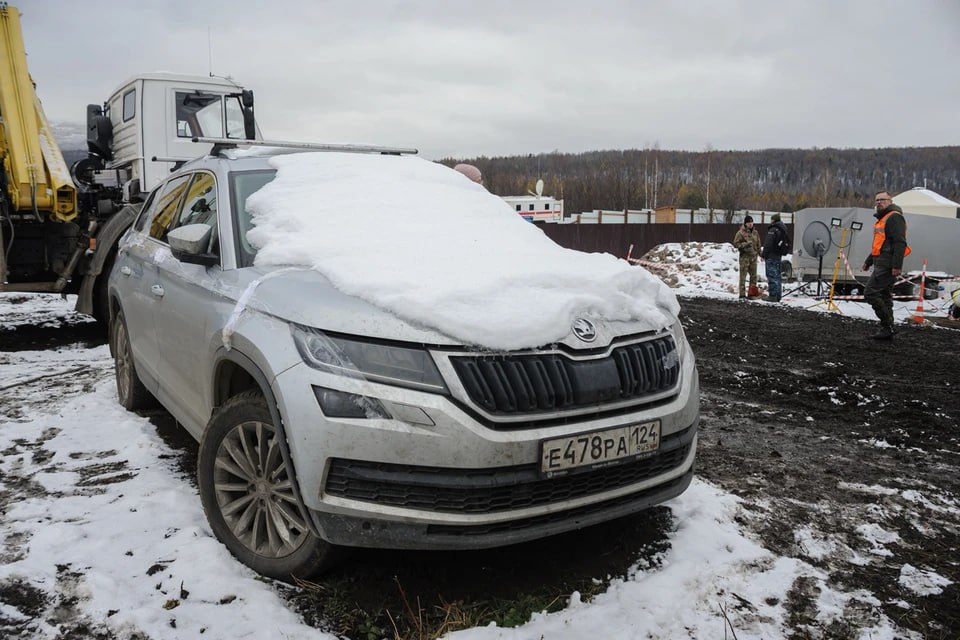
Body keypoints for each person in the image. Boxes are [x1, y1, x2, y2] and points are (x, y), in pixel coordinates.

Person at [861, 191, 911, 340]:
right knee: (884, 295)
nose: (879, 202)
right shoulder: (883, 219)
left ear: (890, 201)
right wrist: (868, 261)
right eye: (877, 200)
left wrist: (896, 265)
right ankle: (888, 329)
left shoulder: (894, 217)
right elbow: (879, 245)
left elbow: (900, 242)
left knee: (870, 292)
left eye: (882, 199)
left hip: (887, 263)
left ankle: (887, 324)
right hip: (880, 261)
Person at [760, 213, 791, 302]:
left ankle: (773, 295)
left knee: (771, 276)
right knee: (777, 276)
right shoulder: (783, 230)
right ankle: (778, 295)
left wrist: (763, 254)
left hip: (771, 256)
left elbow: (768, 244)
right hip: (778, 256)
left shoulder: (773, 230)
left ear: (773, 220)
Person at [733, 215, 761, 299]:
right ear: (745, 223)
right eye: (748, 222)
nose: (750, 224)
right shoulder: (740, 232)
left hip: (753, 257)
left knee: (753, 276)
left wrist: (760, 253)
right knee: (743, 276)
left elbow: (758, 244)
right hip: (744, 257)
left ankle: (751, 293)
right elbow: (735, 243)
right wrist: (745, 245)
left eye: (751, 222)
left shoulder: (755, 233)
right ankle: (742, 294)